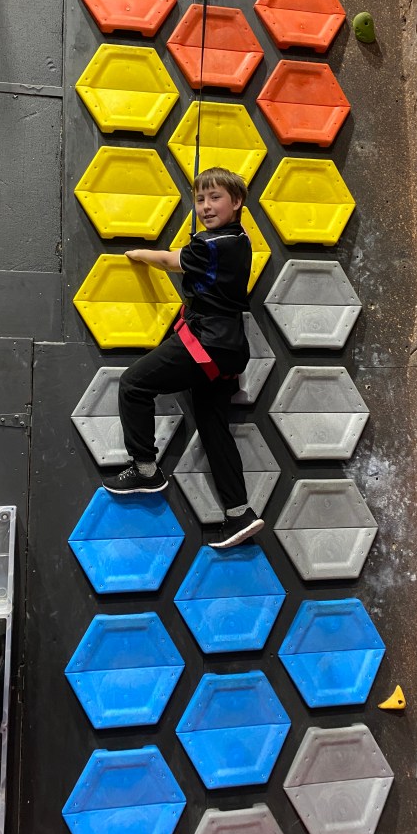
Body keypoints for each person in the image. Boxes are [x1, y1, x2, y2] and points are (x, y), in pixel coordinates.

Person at [102, 167, 264, 549]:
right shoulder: (240, 239)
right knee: (213, 426)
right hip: (229, 349)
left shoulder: (210, 244)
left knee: (133, 384)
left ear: (237, 201)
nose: (205, 206)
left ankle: (146, 469)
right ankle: (239, 513)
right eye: (200, 199)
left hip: (206, 341)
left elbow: (169, 260)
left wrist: (139, 253)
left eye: (215, 197)